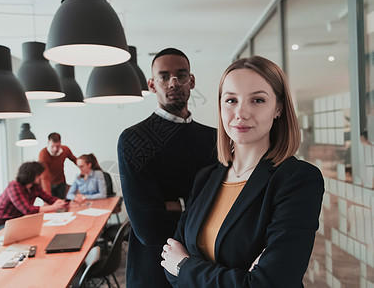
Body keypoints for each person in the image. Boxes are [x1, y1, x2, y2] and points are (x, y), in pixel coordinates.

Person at [161, 56, 325, 287]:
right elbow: (170, 261)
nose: (241, 113)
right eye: (231, 100)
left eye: (257, 100)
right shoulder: (206, 177)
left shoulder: (297, 180)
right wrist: (238, 277)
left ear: (278, 108)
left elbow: (270, 283)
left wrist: (185, 266)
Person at [118, 48, 217, 287]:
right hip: (153, 269)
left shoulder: (214, 138)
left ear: (191, 81)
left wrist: (175, 205)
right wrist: (194, 205)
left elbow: (223, 205)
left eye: (181, 75)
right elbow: (148, 225)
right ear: (152, 85)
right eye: (164, 77)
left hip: (205, 268)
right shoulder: (134, 139)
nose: (173, 83)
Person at [0, 161, 66, 236]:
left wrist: (61, 202)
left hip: (15, 223)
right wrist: (54, 207)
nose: (41, 177)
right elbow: (27, 210)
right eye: (38, 175)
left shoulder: (34, 187)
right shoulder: (14, 186)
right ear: (31, 175)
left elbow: (49, 198)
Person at [38, 132, 77, 198]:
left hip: (61, 182)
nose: (55, 149)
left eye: (57, 146)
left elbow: (75, 160)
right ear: (48, 143)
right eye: (52, 146)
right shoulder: (43, 154)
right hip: (48, 183)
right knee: (51, 204)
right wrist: (48, 196)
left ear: (60, 143)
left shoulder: (65, 150)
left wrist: (86, 168)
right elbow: (44, 176)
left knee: (61, 203)